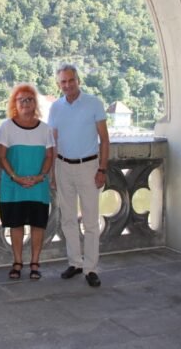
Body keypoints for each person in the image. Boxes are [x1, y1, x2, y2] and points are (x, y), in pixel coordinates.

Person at [48, 63, 110, 288]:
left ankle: (91, 268)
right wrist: (54, 173)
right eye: (63, 82)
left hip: (88, 167)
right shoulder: (55, 108)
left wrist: (102, 169)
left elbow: (104, 139)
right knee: (68, 219)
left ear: (78, 81)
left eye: (70, 80)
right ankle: (74, 262)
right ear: (59, 84)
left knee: (91, 221)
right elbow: (54, 142)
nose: (67, 85)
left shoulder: (93, 103)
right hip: (63, 166)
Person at [0, 84, 54, 280]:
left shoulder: (45, 129)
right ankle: (18, 262)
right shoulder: (6, 126)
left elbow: (49, 156)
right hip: (13, 185)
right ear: (15, 103)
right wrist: (15, 176)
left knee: (38, 225)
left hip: (38, 186)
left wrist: (40, 176)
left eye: (29, 99)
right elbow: (1, 157)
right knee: (16, 224)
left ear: (35, 103)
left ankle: (35, 262)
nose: (26, 103)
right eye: (21, 100)